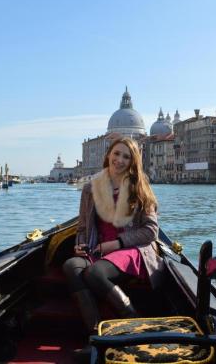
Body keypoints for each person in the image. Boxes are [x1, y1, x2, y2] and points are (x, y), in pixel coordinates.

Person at [63, 137, 164, 355]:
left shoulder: (139, 187)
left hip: (132, 249)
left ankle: (134, 324)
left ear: (132, 161)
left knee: (95, 273)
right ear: (108, 154)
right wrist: (80, 245)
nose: (119, 160)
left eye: (126, 157)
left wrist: (116, 243)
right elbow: (82, 227)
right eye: (116, 154)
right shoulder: (91, 189)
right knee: (71, 265)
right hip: (98, 248)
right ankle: (96, 338)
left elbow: (150, 232)